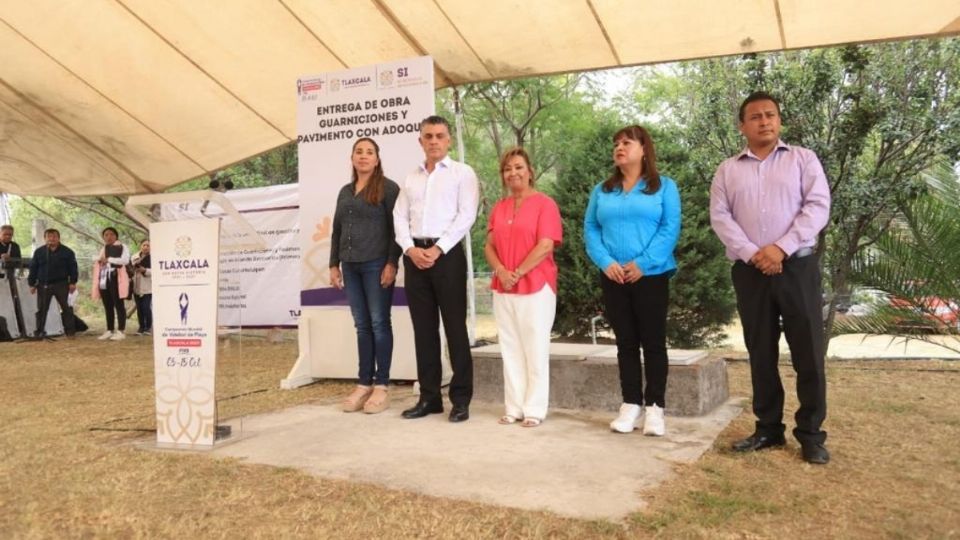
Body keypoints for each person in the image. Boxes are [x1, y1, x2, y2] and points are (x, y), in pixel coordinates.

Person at [710, 91, 832, 465]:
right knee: (761, 351)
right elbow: (721, 217)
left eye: (771, 115)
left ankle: (811, 434)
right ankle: (768, 429)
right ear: (742, 126)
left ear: (779, 120)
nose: (764, 121)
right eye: (756, 116)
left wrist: (780, 248)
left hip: (797, 267)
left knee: (808, 354)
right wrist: (754, 254)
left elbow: (817, 206)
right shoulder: (727, 170)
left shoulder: (802, 160)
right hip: (750, 273)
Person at [584, 125, 681, 436]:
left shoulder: (664, 187)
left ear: (643, 149)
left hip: (650, 276)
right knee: (625, 343)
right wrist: (606, 262)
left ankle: (655, 408)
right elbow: (591, 230)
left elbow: (669, 228)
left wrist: (643, 263)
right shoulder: (602, 190)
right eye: (616, 143)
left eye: (626, 142)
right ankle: (630, 405)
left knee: (652, 343)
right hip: (613, 276)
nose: (619, 147)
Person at [393, 115, 479, 422]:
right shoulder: (411, 177)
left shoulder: (462, 173)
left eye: (439, 136)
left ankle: (460, 399)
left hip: (447, 256)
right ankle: (430, 398)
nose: (433, 141)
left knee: (455, 329)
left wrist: (437, 248)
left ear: (448, 140)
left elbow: (466, 215)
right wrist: (410, 249)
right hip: (415, 258)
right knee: (424, 331)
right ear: (420, 141)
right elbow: (399, 216)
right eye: (428, 136)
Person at [484, 147, 562, 427]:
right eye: (507, 169)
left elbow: (546, 245)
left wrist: (517, 272)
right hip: (503, 286)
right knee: (510, 347)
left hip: (536, 285)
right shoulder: (499, 207)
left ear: (530, 171)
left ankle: (534, 409)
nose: (513, 173)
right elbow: (489, 246)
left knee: (535, 347)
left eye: (518, 167)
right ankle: (513, 407)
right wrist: (501, 271)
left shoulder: (545, 204)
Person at [329, 137, 402, 414]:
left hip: (376, 265)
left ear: (377, 159)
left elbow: (397, 230)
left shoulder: (389, 188)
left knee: (379, 323)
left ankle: (382, 385)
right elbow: (337, 229)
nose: (363, 156)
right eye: (358, 152)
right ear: (352, 158)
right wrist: (334, 264)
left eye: (369, 152)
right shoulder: (345, 191)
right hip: (350, 265)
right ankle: (363, 383)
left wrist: (392, 263)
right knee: (362, 325)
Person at [26, 229, 77, 337]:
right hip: (43, 284)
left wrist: (73, 282)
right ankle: (40, 331)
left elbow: (73, 268)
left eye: (54, 236)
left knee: (66, 308)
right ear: (45, 238)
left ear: (58, 238)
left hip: (62, 284)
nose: (52, 239)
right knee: (42, 309)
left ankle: (70, 332)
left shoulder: (67, 252)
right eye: (49, 236)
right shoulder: (39, 252)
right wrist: (31, 284)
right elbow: (33, 268)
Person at [92, 227, 130, 341]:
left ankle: (121, 330)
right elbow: (101, 261)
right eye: (106, 235)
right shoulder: (104, 248)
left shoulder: (122, 247)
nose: (109, 237)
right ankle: (109, 329)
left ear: (116, 236)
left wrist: (109, 259)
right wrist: (100, 260)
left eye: (112, 234)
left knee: (118, 304)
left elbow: (125, 260)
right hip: (104, 278)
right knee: (107, 304)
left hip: (116, 277)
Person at [131, 239, 153, 336]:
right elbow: (129, 269)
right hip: (136, 286)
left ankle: (148, 327)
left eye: (148, 245)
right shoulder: (134, 257)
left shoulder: (154, 258)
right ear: (140, 246)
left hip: (148, 287)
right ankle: (141, 327)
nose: (146, 247)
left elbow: (156, 272)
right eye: (144, 245)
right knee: (139, 308)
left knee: (146, 307)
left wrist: (145, 270)